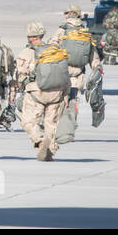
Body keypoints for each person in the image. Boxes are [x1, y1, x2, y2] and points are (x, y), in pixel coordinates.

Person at [14, 21, 71, 161]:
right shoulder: (54, 50)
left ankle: (40, 141)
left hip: (36, 93)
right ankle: (50, 149)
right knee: (51, 123)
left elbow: (20, 74)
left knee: (28, 121)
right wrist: (66, 94)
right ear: (42, 34)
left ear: (29, 36)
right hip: (57, 92)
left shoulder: (26, 52)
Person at [53, 4, 101, 98]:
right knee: (74, 101)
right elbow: (93, 56)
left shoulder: (62, 30)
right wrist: (96, 68)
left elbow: (52, 48)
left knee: (61, 102)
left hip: (62, 71)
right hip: (78, 73)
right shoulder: (85, 32)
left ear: (69, 15)